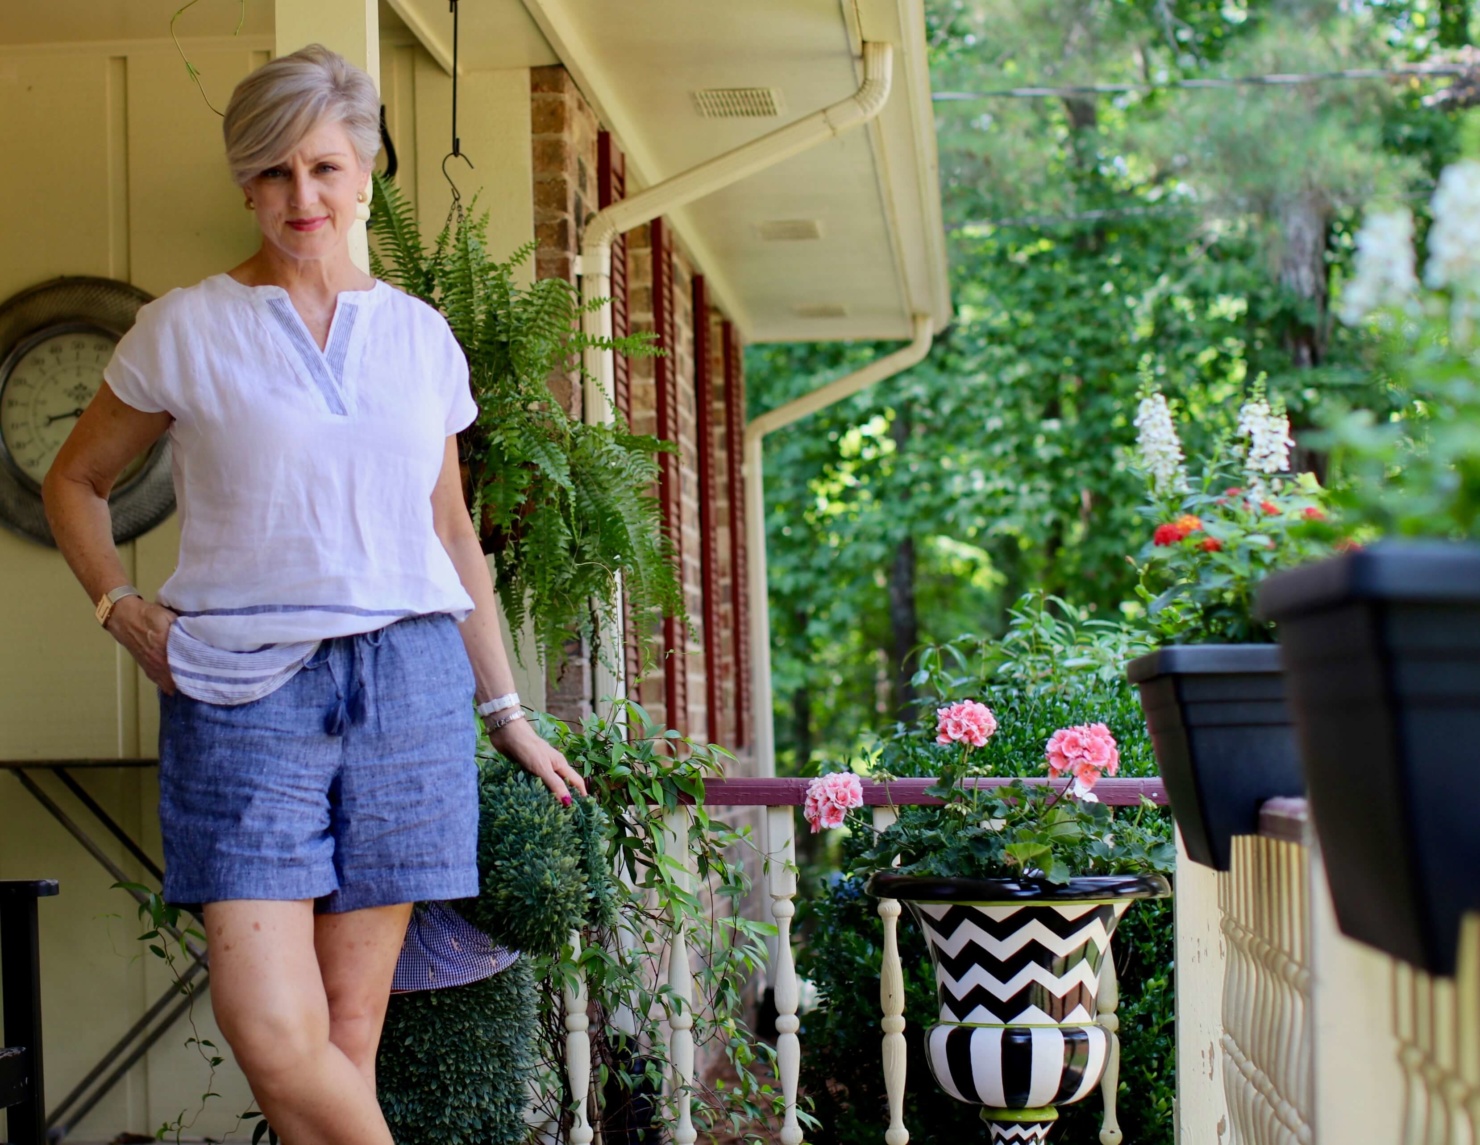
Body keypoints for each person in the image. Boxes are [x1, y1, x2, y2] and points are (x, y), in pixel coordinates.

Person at [42, 44, 586, 1145]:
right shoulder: (185, 328)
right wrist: (117, 603)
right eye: (277, 173)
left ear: (367, 171)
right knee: (272, 1030)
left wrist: (507, 710)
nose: (304, 197)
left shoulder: (420, 339)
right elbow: (75, 479)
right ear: (246, 183)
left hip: (408, 684)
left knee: (345, 1042)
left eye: (327, 168)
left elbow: (450, 534)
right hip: (244, 689)